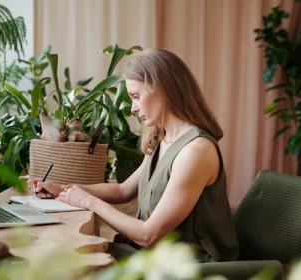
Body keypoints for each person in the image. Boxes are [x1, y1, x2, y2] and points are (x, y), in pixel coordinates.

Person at [28, 48, 239, 262]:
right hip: (155, 258)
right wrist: (63, 190)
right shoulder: (163, 138)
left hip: (190, 267)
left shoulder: (195, 151)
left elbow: (149, 235)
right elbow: (122, 191)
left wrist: (88, 201)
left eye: (136, 96)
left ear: (163, 88)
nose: (133, 109)